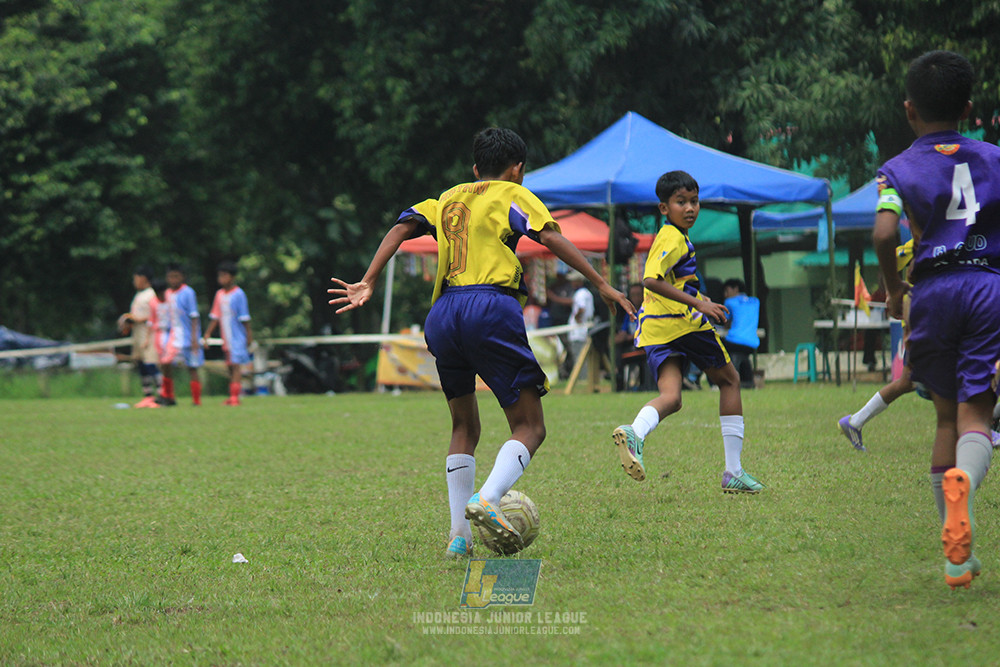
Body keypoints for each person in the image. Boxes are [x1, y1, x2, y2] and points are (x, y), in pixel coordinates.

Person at [329, 127, 635, 557]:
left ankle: (459, 537)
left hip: (443, 314)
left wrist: (369, 279)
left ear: (475, 169)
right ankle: (488, 498)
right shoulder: (513, 192)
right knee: (530, 426)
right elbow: (550, 237)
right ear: (518, 169)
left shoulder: (448, 197)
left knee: (463, 426)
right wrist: (602, 283)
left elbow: (400, 228)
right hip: (490, 307)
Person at [872, 50, 1000, 590]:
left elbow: (883, 234)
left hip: (931, 291)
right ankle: (963, 488)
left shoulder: (897, 168)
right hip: (987, 288)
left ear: (908, 110)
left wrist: (893, 286)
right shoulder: (995, 157)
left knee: (945, 421)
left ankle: (956, 554)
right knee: (978, 420)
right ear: (970, 108)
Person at [612, 170, 765, 493]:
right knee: (730, 380)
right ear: (664, 208)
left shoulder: (676, 237)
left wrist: (702, 298)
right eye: (681, 202)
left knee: (672, 397)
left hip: (654, 329)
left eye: (694, 201)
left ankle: (636, 432)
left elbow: (670, 282)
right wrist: (699, 307)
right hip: (681, 324)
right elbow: (651, 280)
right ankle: (733, 471)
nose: (690, 208)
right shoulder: (672, 237)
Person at [202, 261, 254, 406]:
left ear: (232, 277)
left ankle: (235, 397)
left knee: (236, 365)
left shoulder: (239, 294)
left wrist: (249, 336)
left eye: (225, 275)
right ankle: (233, 394)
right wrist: (208, 334)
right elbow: (215, 317)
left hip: (237, 335)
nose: (221, 278)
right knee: (230, 365)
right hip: (226, 336)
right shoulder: (219, 295)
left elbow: (245, 317)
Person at [159, 263, 204, 406]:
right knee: (165, 363)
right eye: (170, 277)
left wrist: (194, 338)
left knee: (192, 367)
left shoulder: (188, 292)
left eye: (176, 276)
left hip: (187, 337)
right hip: (173, 337)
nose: (173, 280)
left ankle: (196, 400)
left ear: (182, 277)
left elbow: (194, 316)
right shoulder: (167, 293)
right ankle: (169, 396)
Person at [117, 265, 160, 408]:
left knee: (151, 363)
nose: (134, 281)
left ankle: (160, 395)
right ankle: (148, 395)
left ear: (143, 278)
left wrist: (135, 319)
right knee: (141, 363)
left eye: (136, 278)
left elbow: (155, 315)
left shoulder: (151, 294)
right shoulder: (139, 295)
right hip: (138, 335)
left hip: (149, 334)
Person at [719, 279, 759, 389]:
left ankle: (717, 381)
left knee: (715, 345)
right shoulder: (755, 301)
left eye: (727, 291)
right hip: (752, 343)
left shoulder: (729, 302)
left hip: (735, 340)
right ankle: (748, 380)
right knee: (742, 357)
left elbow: (725, 321)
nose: (725, 295)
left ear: (735, 288)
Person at [566, 270, 594, 379]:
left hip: (579, 332)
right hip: (584, 330)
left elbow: (581, 308)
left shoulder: (580, 294)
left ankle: (583, 379)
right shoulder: (587, 293)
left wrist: (577, 317)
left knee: (579, 358)